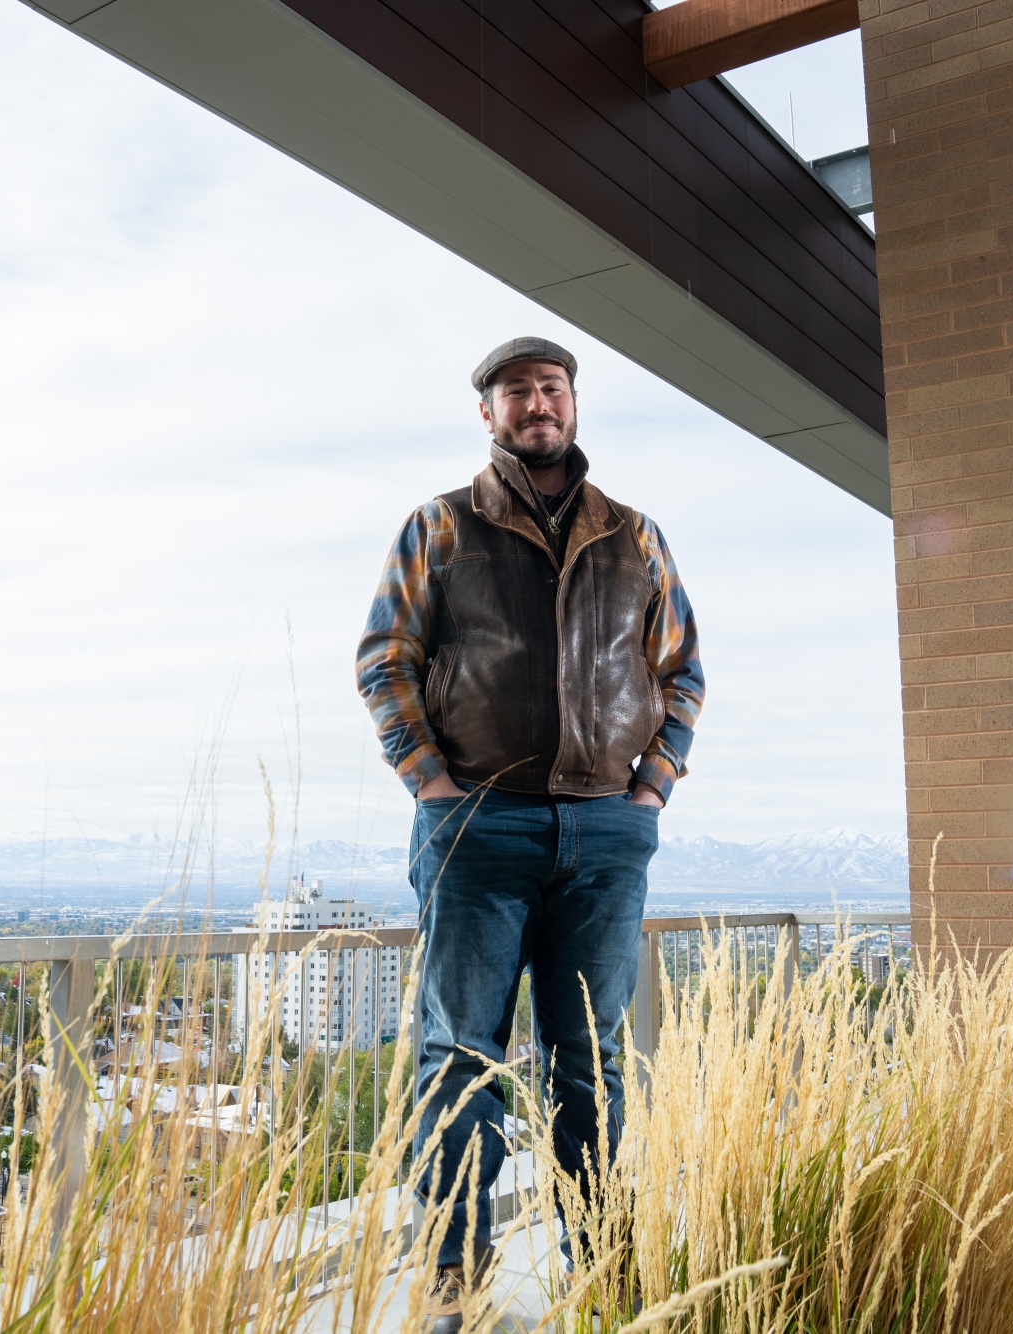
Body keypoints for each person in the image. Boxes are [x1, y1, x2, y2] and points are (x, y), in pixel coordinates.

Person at [356, 337, 703, 1331]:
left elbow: (681, 672)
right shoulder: (441, 525)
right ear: (489, 412)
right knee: (458, 1057)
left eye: (552, 387)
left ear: (573, 404)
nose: (537, 402)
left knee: (588, 1062)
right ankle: (452, 1284)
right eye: (517, 391)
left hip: (606, 831)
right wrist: (432, 785)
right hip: (477, 823)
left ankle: (603, 1275)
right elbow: (383, 660)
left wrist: (650, 790)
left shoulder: (634, 535)